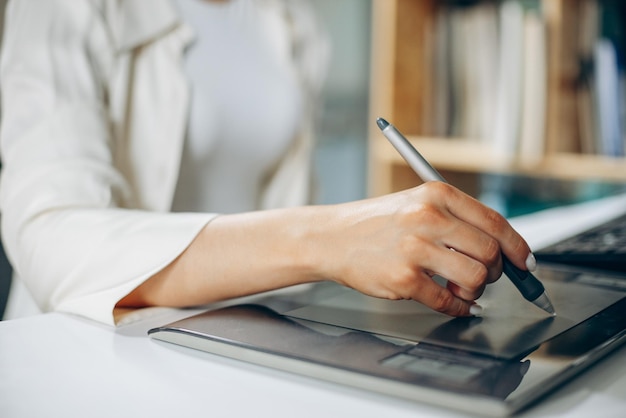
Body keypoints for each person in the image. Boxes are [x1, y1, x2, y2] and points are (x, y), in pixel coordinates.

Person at [0, 0, 535, 326]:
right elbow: (51, 235)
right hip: (90, 350)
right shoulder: (61, 7)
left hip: (234, 337)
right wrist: (326, 239)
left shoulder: (293, 23)